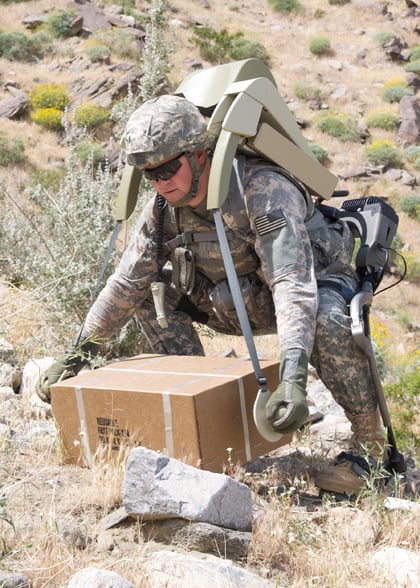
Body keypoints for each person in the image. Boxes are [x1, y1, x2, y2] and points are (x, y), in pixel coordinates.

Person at [41, 93, 387, 495]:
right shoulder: (161, 207)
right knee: (149, 296)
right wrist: (79, 352)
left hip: (303, 295)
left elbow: (293, 285)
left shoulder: (262, 189)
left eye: (169, 167)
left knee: (329, 316)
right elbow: (126, 283)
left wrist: (292, 379)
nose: (161, 181)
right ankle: (193, 411)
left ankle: (369, 450)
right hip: (229, 299)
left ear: (200, 155)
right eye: (149, 173)